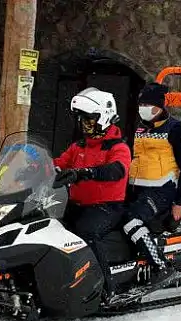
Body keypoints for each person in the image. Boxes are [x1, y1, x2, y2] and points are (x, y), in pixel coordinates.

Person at [52, 87, 131, 297]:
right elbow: (58, 163)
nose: (85, 124)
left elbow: (117, 170)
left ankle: (105, 287)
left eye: (90, 118)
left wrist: (84, 173)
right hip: (76, 205)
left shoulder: (118, 147)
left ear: (104, 117)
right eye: (82, 119)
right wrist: (34, 167)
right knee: (49, 227)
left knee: (86, 233)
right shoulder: (78, 146)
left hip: (106, 207)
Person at [122, 82, 181, 287]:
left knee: (132, 221)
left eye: (150, 106)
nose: (144, 110)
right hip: (138, 189)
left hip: (162, 192)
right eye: (141, 105)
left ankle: (161, 266)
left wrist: (179, 201)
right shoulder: (140, 129)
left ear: (161, 107)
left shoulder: (175, 129)